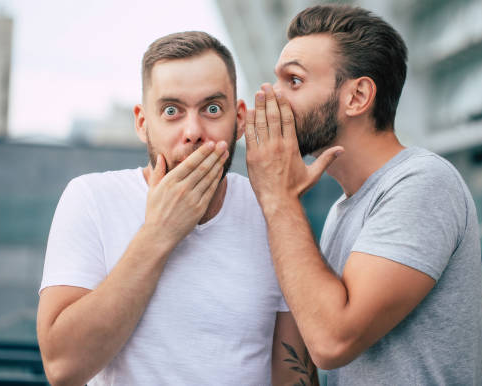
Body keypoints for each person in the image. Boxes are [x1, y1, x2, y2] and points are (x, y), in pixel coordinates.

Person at [36, 31, 317, 386]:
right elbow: (63, 367)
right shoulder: (91, 198)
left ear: (240, 119)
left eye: (212, 109)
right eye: (171, 111)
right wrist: (158, 234)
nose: (193, 131)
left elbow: (293, 374)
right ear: (142, 123)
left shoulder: (271, 209)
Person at [245, 4, 482, 385]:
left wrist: (279, 199)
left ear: (357, 96)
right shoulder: (344, 208)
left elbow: (332, 340)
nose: (272, 98)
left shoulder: (423, 183)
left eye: (294, 81)